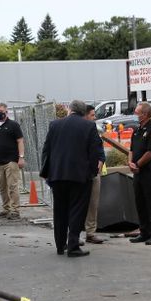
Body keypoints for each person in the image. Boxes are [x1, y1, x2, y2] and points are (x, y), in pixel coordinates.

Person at [41, 100, 101, 257]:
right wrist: (92, 172)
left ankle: (60, 246)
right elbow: (94, 152)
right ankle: (73, 245)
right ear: (83, 112)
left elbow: (46, 150)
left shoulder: (54, 125)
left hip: (58, 175)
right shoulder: (88, 126)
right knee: (77, 210)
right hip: (79, 176)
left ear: (70, 110)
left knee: (60, 211)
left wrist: (47, 172)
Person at [128, 102, 151, 245]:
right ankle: (144, 232)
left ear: (145, 114)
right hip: (137, 174)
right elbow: (131, 149)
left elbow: (150, 152)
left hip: (150, 173)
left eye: (137, 113)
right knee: (140, 203)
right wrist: (130, 163)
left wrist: (137, 164)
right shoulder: (136, 130)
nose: (136, 115)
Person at [0, 103, 25, 220]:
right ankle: (6, 209)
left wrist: (21, 157)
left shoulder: (13, 125)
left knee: (13, 186)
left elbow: (20, 141)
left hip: (11, 161)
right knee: (2, 187)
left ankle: (15, 211)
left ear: (6, 112)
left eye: (1, 111)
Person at [83, 105, 106, 244]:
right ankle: (74, 233)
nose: (95, 117)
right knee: (80, 204)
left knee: (93, 204)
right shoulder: (79, 131)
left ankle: (90, 232)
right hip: (81, 173)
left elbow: (100, 149)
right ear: (85, 116)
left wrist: (101, 161)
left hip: (94, 172)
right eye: (92, 115)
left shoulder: (95, 131)